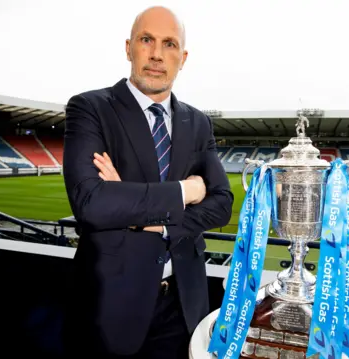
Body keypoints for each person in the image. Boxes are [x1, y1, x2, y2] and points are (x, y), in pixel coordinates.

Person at [61, 6, 234, 359]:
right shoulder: (91, 108)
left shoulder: (198, 122)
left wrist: (143, 217)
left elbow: (222, 203)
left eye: (169, 44)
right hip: (110, 302)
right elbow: (91, 203)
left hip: (184, 304)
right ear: (128, 48)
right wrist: (187, 192)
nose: (157, 54)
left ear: (183, 58)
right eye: (146, 40)